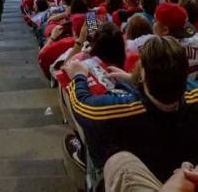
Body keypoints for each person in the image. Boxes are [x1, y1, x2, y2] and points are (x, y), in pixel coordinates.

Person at [64, 36, 198, 183]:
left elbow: (82, 105)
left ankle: (83, 154)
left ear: (144, 73)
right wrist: (134, 79)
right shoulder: (191, 93)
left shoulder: (92, 21)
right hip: (181, 162)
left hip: (142, 171)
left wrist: (78, 53)